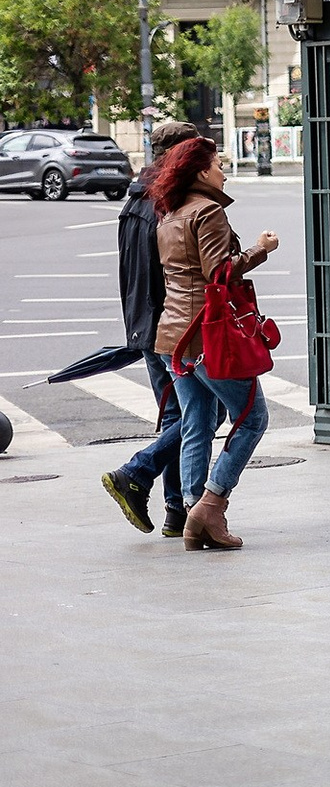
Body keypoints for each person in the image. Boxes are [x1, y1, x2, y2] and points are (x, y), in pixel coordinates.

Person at [150, 137, 279, 551]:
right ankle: (211, 504)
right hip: (209, 337)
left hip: (173, 337)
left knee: (196, 422)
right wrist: (261, 249)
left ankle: (193, 513)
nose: (224, 172)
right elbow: (218, 273)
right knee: (252, 418)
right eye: (219, 164)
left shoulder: (169, 213)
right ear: (202, 171)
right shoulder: (208, 211)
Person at [99, 120, 205, 537]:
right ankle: (137, 472)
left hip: (148, 326)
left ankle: (176, 511)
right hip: (171, 327)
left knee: (180, 413)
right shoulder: (165, 204)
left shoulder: (135, 201)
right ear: (180, 155)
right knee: (203, 412)